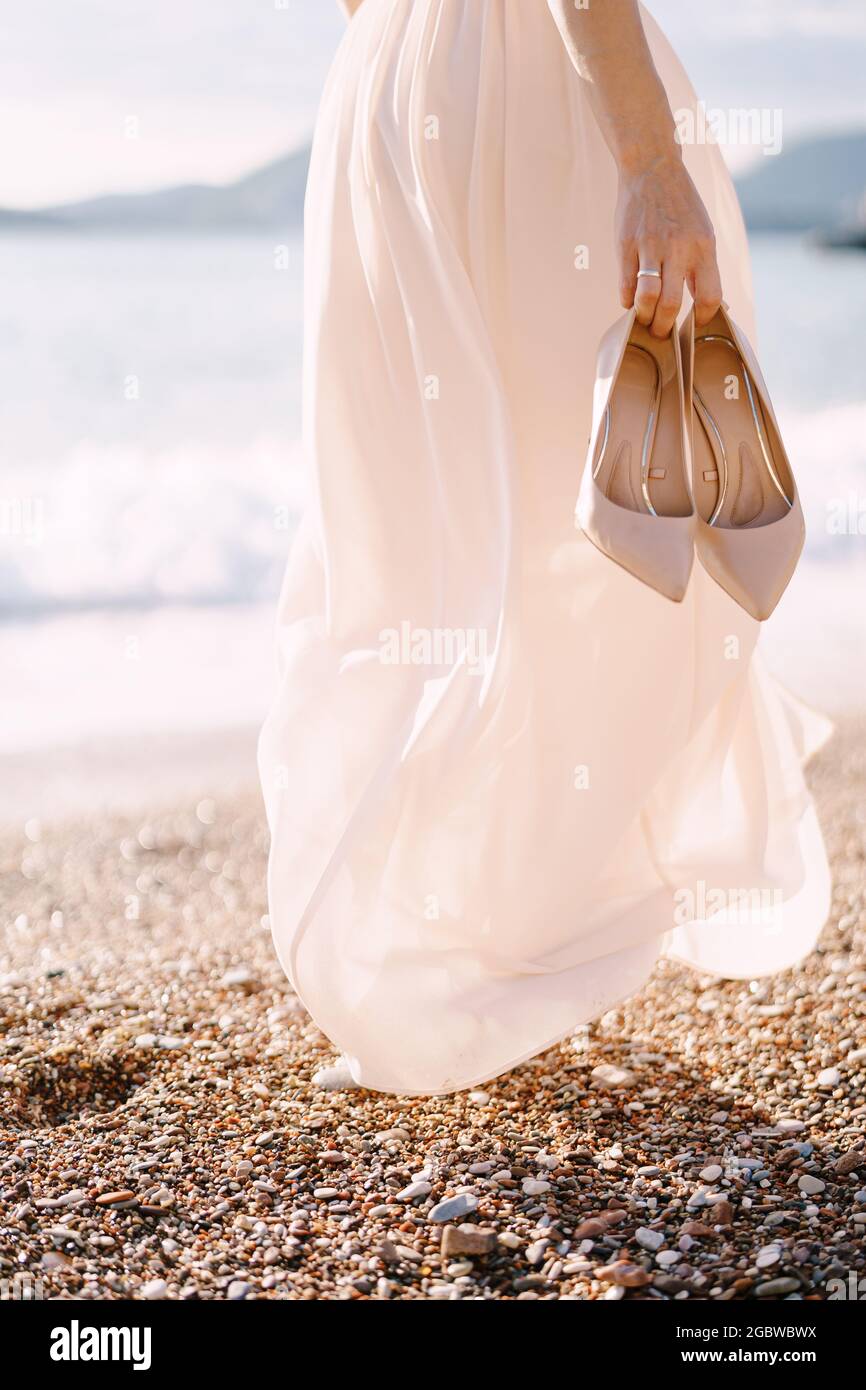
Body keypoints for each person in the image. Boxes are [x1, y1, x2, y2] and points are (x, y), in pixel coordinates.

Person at [259, 0, 830, 1095]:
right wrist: (651, 158)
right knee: (597, 535)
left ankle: (423, 944)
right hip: (531, 94)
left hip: (385, 93)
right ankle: (514, 927)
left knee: (417, 536)